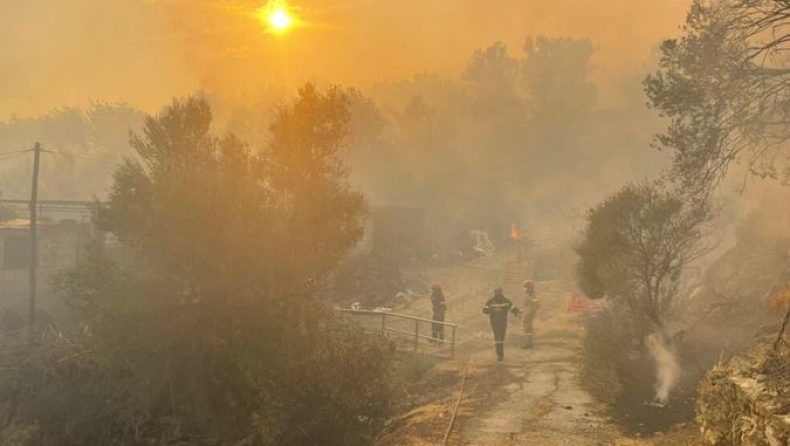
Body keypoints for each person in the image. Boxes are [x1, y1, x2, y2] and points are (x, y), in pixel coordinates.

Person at [483, 287, 521, 361]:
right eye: (497, 292)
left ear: (501, 292)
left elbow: (512, 308)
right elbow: (484, 310)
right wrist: (491, 310)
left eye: (500, 292)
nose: (498, 294)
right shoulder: (491, 301)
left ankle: (498, 350)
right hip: (494, 322)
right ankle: (500, 355)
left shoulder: (505, 301)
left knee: (502, 337)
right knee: (498, 337)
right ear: (495, 293)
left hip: (503, 322)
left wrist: (518, 313)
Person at [521, 280, 540, 349]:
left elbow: (537, 304)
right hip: (527, 313)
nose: (525, 288)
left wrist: (530, 311)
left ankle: (528, 343)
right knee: (527, 329)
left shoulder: (532, 295)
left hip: (529, 314)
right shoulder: (529, 295)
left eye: (526, 287)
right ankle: (529, 343)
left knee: (527, 328)